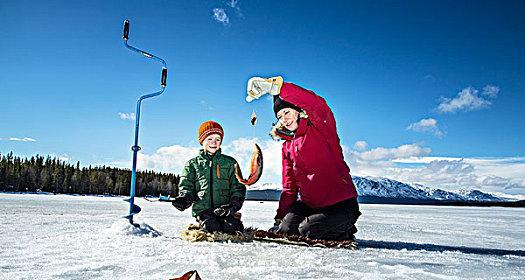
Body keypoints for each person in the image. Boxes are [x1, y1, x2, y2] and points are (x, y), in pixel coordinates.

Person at [247, 76, 361, 240]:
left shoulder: (320, 127)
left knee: (306, 231)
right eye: (279, 117)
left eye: (286, 112)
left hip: (340, 205)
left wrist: (277, 88)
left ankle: (346, 229)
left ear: (299, 111)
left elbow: (318, 105)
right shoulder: (287, 146)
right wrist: (280, 218)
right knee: (285, 229)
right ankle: (310, 223)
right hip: (310, 205)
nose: (284, 119)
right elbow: (289, 188)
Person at [171, 120, 246, 234]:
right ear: (202, 141)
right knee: (212, 227)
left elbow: (238, 187)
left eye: (218, 139)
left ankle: (232, 219)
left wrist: (233, 206)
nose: (214, 142)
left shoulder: (230, 163)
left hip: (224, 209)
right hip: (203, 210)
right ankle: (201, 222)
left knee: (233, 229)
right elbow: (186, 185)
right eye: (209, 139)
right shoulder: (192, 164)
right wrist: (185, 199)